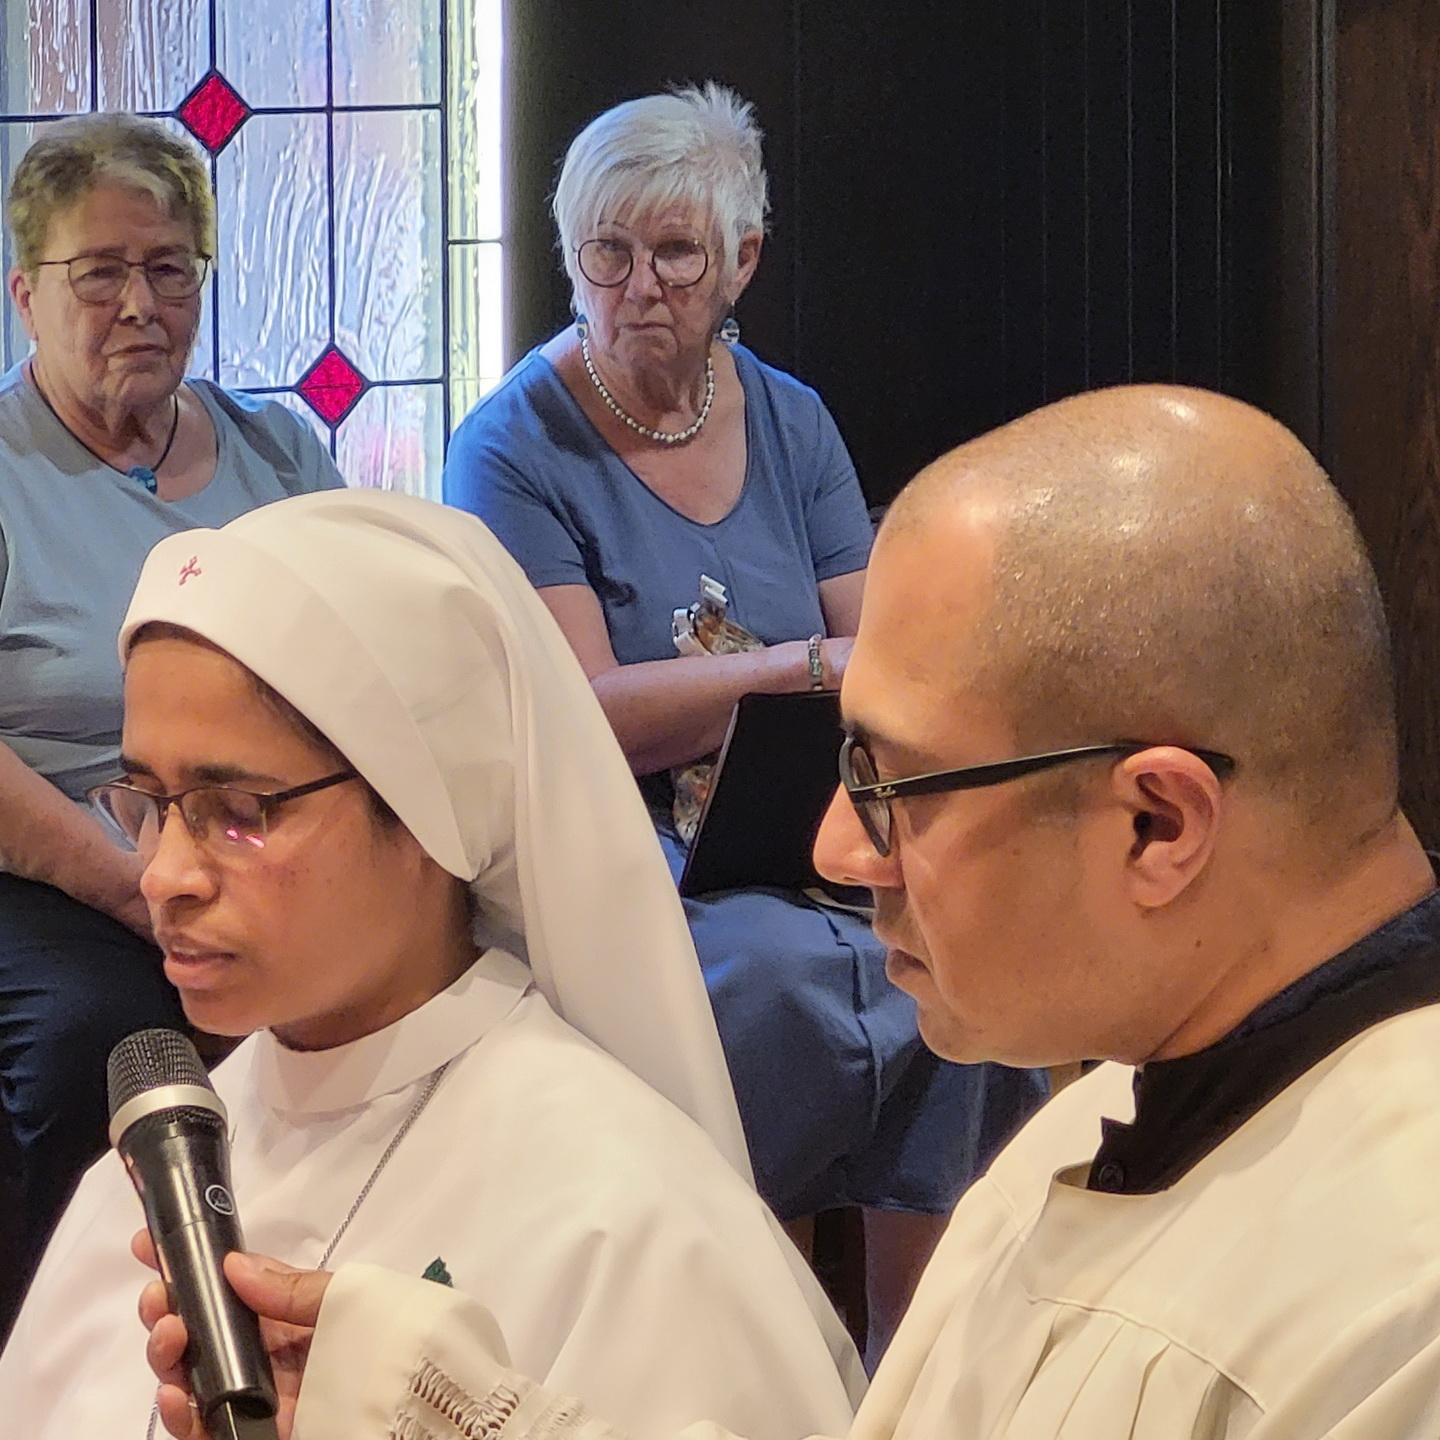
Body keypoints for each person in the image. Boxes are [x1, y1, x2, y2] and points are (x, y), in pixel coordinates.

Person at [144, 385, 1440, 1439]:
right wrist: (463, 1421)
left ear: (1157, 824)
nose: (834, 844)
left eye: (885, 784)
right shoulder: (1099, 1126)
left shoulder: (1394, 1301)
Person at [0, 488, 864, 1438]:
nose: (162, 875)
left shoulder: (626, 1220)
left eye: (237, 811)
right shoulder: (161, 1159)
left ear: (427, 807)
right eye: (147, 801)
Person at [443, 82, 1046, 1353]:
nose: (638, 286)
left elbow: (886, 647)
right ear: (570, 256)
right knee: (768, 981)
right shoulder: (510, 446)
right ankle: (740, 1349)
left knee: (964, 948)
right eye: (607, 252)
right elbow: (590, 713)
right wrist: (795, 671)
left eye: (675, 253)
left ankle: (917, 1370)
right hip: (628, 852)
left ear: (741, 262)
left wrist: (831, 672)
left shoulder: (790, 416)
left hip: (807, 820)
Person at [0, 112, 342, 1336]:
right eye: (100, 271)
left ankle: (358, 1322)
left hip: (272, 836)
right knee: (103, 1039)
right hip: (55, 867)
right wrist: (132, 880)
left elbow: (362, 670)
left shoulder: (285, 452)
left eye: (169, 268)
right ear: (24, 291)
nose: (139, 302)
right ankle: (79, 1368)